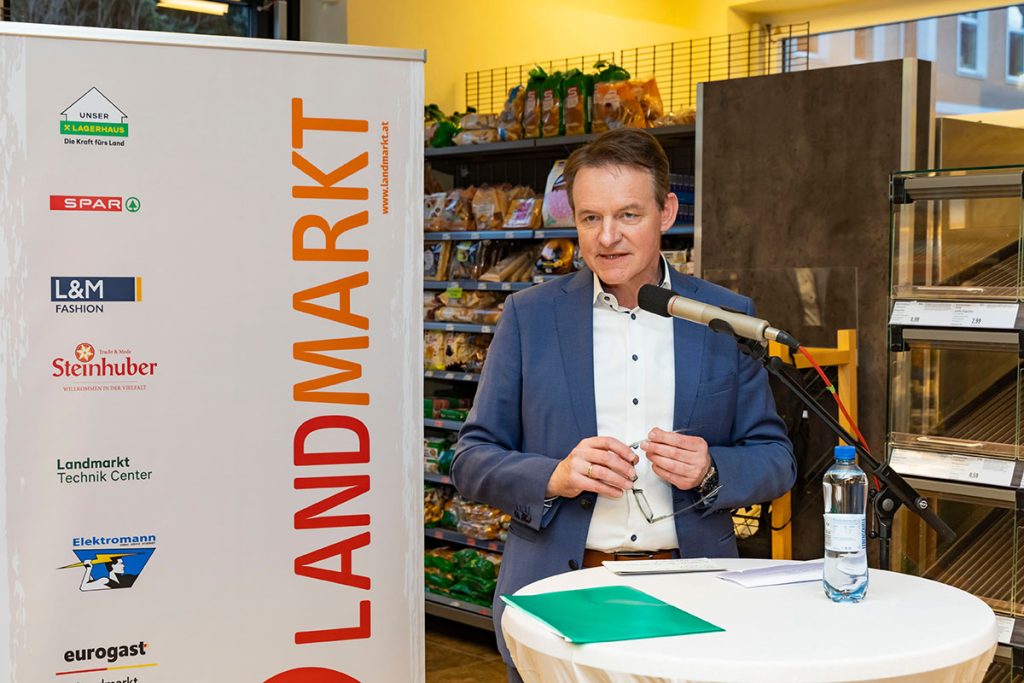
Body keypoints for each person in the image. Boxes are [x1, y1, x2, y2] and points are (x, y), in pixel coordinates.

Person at [451, 127, 796, 682]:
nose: (607, 237)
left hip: (696, 593)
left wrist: (711, 468)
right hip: (560, 595)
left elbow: (775, 457)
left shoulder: (724, 316)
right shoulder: (529, 316)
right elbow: (470, 459)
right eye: (590, 218)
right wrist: (555, 476)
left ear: (667, 212)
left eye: (628, 215)